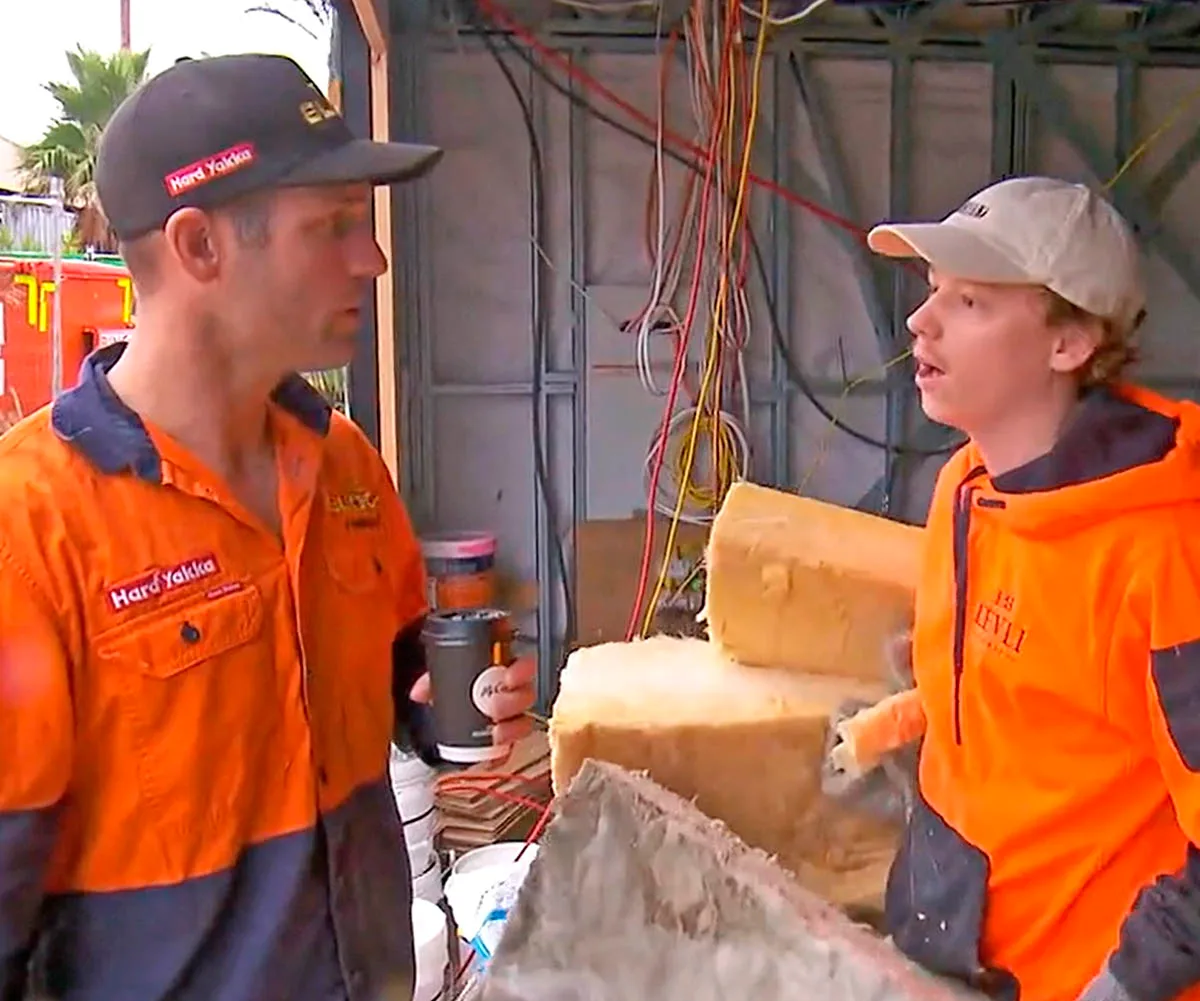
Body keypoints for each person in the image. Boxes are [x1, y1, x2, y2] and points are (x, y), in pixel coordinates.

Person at [0, 54, 536, 1001]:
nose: (371, 259)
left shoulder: (343, 467)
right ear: (199, 246)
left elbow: (395, 670)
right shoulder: (32, 530)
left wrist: (449, 701)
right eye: (332, 227)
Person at [856, 175, 1200, 1001]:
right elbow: (992, 690)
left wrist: (1121, 985)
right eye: (934, 292)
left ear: (1069, 342)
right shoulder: (965, 486)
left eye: (970, 302)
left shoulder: (1165, 546)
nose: (920, 322)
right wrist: (887, 725)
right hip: (954, 953)